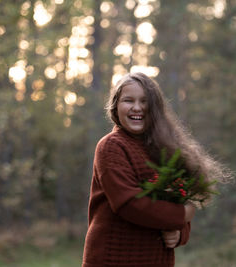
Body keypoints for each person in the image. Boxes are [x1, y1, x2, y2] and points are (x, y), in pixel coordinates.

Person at [82, 72, 226, 267]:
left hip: (156, 259)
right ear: (116, 106)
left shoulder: (165, 148)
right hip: (113, 259)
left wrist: (180, 233)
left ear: (155, 108)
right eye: (128, 100)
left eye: (144, 101)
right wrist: (181, 215)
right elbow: (129, 204)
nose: (137, 107)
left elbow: (178, 198)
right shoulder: (111, 146)